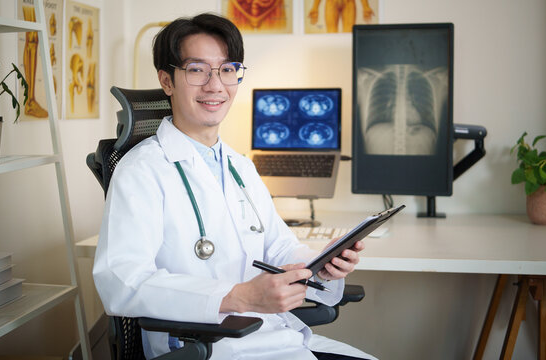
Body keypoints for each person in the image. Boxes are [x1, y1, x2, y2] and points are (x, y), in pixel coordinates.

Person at [93, 13, 375, 360]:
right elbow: (122, 282)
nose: (216, 85)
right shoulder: (141, 170)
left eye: (227, 69)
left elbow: (278, 248)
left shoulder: (240, 166)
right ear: (167, 80)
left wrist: (322, 264)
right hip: (208, 347)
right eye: (197, 69)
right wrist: (238, 297)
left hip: (274, 336)